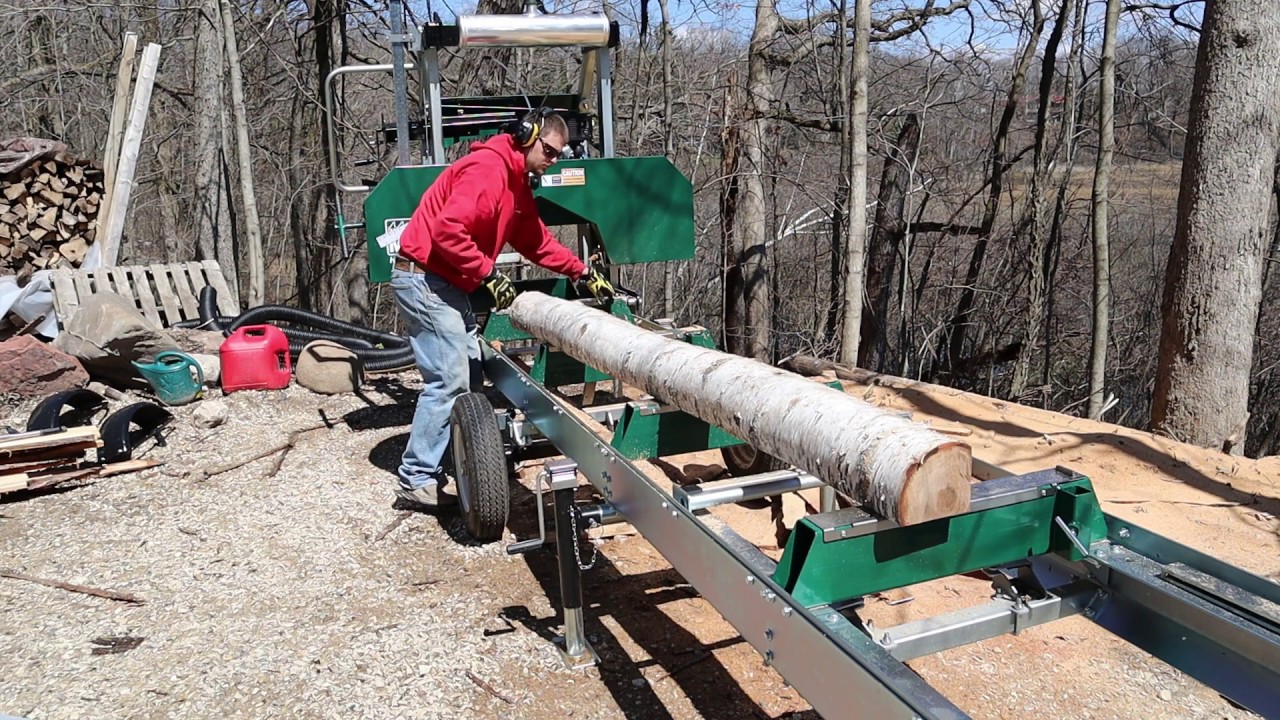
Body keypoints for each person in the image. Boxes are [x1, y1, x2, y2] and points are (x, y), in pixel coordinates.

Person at [388, 109, 614, 508]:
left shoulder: (516, 184)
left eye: (560, 153)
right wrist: (488, 274)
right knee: (449, 378)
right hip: (423, 278)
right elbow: (445, 231)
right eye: (549, 150)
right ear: (526, 137)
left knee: (469, 370)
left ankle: (462, 459)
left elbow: (536, 241)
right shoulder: (487, 170)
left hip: (446, 282)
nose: (554, 159)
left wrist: (581, 271)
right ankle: (417, 479)